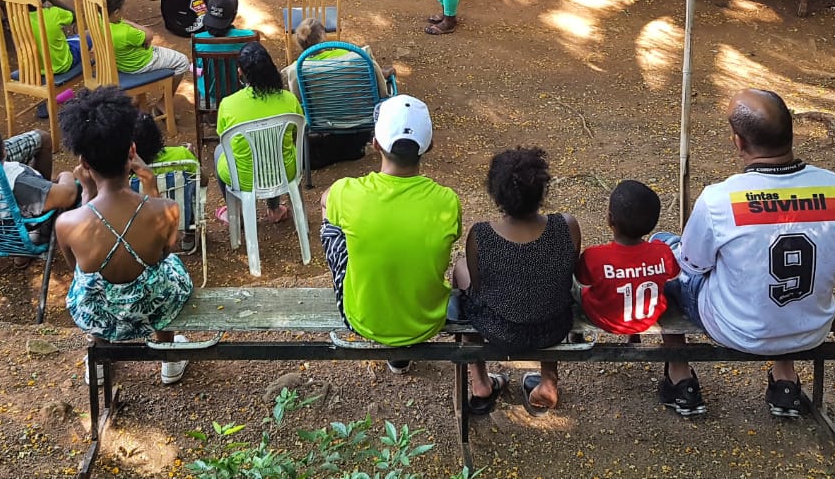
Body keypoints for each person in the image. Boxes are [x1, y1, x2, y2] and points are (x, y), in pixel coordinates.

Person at [658, 89, 835, 419]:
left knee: (663, 251)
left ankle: (680, 377)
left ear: (738, 142)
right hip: (810, 332)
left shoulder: (719, 199)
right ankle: (785, 380)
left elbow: (693, 266)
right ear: (790, 133)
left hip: (734, 329)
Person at [56, 86, 193, 386]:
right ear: (132, 151)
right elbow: (163, 256)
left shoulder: (66, 223)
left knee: (89, 286)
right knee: (169, 269)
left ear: (85, 163)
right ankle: (169, 357)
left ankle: (100, 363)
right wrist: (150, 184)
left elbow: (79, 270)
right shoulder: (166, 209)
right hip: (152, 306)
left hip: (102, 314)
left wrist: (87, 193)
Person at [320, 95, 461, 371]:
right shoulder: (447, 201)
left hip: (362, 319)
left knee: (332, 220)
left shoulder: (346, 192)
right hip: (427, 321)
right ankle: (401, 348)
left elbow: (324, 199)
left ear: (375, 144)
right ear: (429, 146)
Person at [454, 147, 581, 413]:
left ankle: (480, 382)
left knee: (460, 270)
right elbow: (565, 276)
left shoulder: (481, 235)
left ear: (496, 193)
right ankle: (548, 380)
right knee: (548, 290)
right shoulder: (567, 225)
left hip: (499, 330)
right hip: (553, 327)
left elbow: (478, 287)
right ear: (542, 190)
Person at [213, 43, 301, 225]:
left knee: (219, 151)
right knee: (275, 150)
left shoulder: (228, 104)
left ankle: (235, 213)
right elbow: (295, 132)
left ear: (240, 72)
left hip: (243, 178)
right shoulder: (289, 99)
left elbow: (224, 137)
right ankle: (275, 209)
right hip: (285, 171)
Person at [575, 181, 678, 337]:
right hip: (647, 318)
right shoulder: (663, 252)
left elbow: (582, 280)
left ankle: (575, 339)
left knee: (573, 285)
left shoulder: (594, 256)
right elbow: (674, 275)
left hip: (603, 319)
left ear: (610, 219)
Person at [0, 126, 80, 242]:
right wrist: (66, 175)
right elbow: (68, 196)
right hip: (17, 236)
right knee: (78, 189)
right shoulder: (16, 182)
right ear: (3, 152)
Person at [132, 110, 199, 253]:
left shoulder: (127, 170)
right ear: (157, 135)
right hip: (181, 216)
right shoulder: (182, 154)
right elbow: (203, 180)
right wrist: (191, 154)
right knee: (190, 190)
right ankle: (189, 233)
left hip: (143, 222)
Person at [282, 17, 394, 100]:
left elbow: (299, 100)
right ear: (323, 37)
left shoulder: (297, 69)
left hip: (321, 120)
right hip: (362, 115)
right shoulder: (351, 56)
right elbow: (374, 79)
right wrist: (383, 74)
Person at [101, 0, 190, 79]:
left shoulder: (97, 19)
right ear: (116, 13)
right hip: (138, 64)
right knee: (183, 61)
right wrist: (129, 23)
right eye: (124, 4)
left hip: (119, 60)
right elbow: (149, 35)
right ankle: (168, 89)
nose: (126, 7)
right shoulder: (126, 32)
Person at [192, 0, 254, 101]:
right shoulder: (248, 37)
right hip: (238, 96)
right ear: (234, 15)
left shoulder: (198, 41)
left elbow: (198, 69)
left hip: (209, 98)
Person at [17, 0, 81, 77]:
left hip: (33, 69)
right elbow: (76, 16)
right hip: (62, 66)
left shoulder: (16, 18)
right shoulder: (54, 13)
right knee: (87, 37)